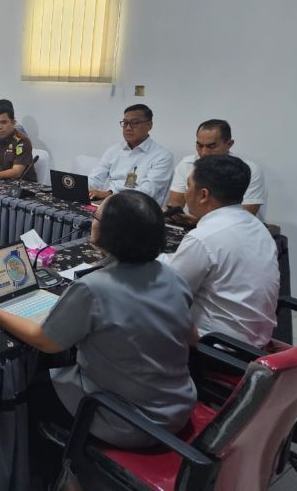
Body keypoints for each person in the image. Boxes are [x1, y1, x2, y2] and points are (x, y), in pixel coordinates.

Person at [0, 191, 196, 483]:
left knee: (29, 390)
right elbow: (191, 336)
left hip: (128, 420)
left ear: (112, 232)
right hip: (177, 407)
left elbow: (45, 341)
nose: (91, 221)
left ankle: (54, 476)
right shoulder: (172, 275)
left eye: (96, 217)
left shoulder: (94, 287)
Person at [161, 155, 279, 347]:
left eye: (188, 185)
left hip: (215, 348)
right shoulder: (257, 228)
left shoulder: (204, 237)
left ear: (203, 194)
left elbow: (168, 291)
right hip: (255, 343)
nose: (185, 193)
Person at [166, 119, 267, 224]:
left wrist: (200, 221)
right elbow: (175, 204)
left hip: (236, 230)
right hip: (193, 226)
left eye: (212, 146)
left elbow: (246, 214)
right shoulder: (187, 164)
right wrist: (172, 215)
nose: (204, 153)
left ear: (229, 144)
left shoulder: (249, 170)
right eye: (199, 145)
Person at [88, 104, 173, 205]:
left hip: (141, 210)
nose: (128, 128)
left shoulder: (162, 156)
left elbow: (146, 192)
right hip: (107, 204)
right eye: (125, 123)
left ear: (149, 125)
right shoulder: (114, 150)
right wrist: (80, 188)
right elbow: (96, 178)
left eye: (135, 123)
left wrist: (110, 194)